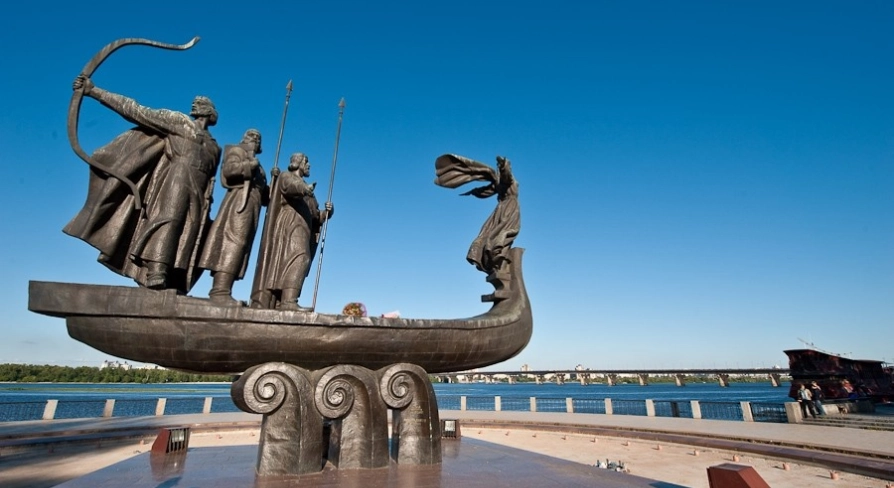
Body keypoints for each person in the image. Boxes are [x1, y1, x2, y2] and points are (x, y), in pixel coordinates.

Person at [64, 75, 221, 293]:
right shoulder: (178, 122)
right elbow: (136, 110)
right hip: (177, 176)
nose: (196, 103)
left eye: (202, 103)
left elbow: (212, 178)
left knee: (192, 229)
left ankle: (174, 277)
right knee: (170, 218)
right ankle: (156, 270)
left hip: (200, 189)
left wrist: (208, 200)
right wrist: (94, 91)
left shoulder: (215, 147)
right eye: (196, 102)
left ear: (211, 112)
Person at [250, 153, 333, 310]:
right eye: (306, 162)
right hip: (291, 222)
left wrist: (328, 212)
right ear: (298, 163)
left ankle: (284, 301)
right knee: (300, 257)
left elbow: (315, 215)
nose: (308, 165)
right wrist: (304, 189)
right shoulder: (286, 176)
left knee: (298, 259)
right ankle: (289, 301)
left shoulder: (308, 190)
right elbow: (289, 187)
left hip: (304, 226)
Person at [198, 129, 268, 304]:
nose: (255, 140)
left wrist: (271, 184)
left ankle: (225, 289)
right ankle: (219, 291)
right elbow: (229, 171)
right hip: (239, 202)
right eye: (252, 137)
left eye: (258, 138)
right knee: (233, 242)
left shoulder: (259, 166)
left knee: (242, 246)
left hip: (253, 206)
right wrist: (247, 166)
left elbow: (265, 196)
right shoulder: (237, 151)